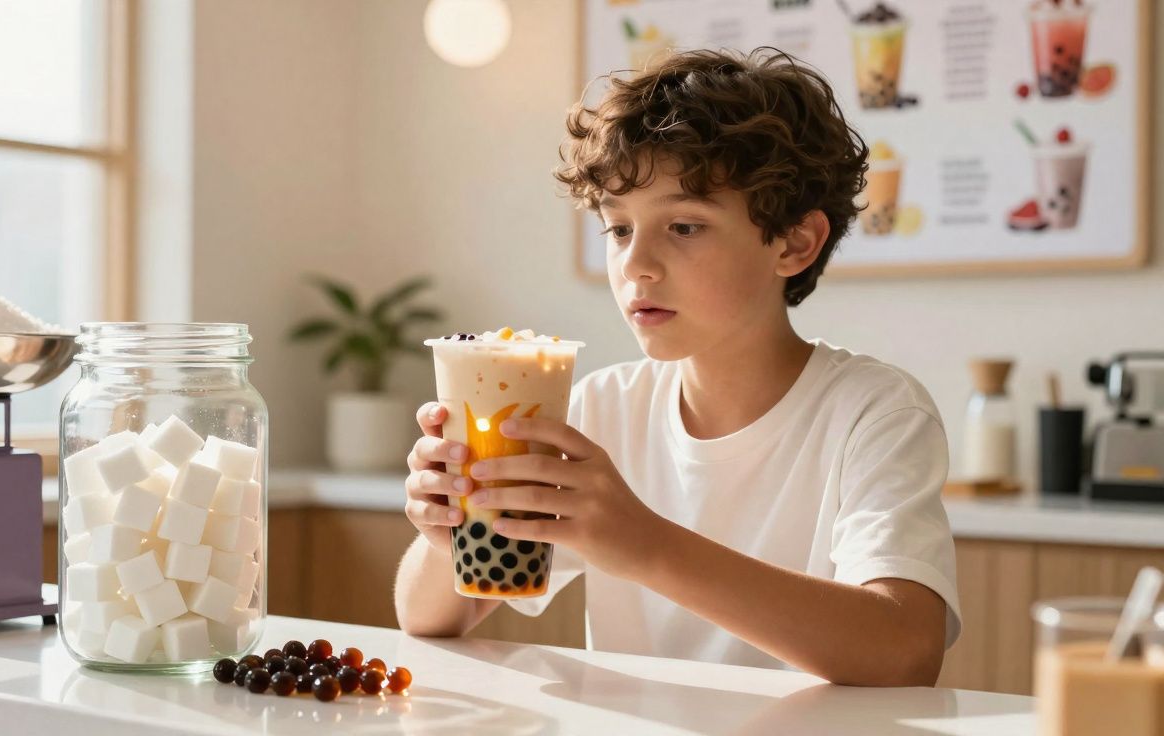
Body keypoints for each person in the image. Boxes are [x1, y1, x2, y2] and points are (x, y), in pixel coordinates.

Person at [394, 48, 958, 687]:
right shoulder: (598, 408)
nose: (636, 265)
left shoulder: (872, 412)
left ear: (796, 242)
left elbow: (906, 647)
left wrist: (646, 546)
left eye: (685, 226)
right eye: (618, 230)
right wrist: (449, 534)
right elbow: (429, 619)